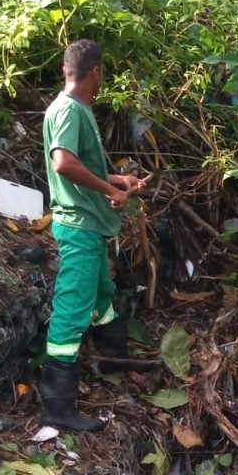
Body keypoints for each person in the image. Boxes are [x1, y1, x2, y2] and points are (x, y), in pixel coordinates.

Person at [41, 39, 145, 432]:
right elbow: (64, 162)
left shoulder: (75, 109)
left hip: (89, 225)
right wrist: (111, 192)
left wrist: (119, 178)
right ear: (96, 72)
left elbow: (80, 163)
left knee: (102, 295)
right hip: (79, 226)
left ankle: (112, 360)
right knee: (71, 311)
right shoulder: (69, 109)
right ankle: (57, 407)